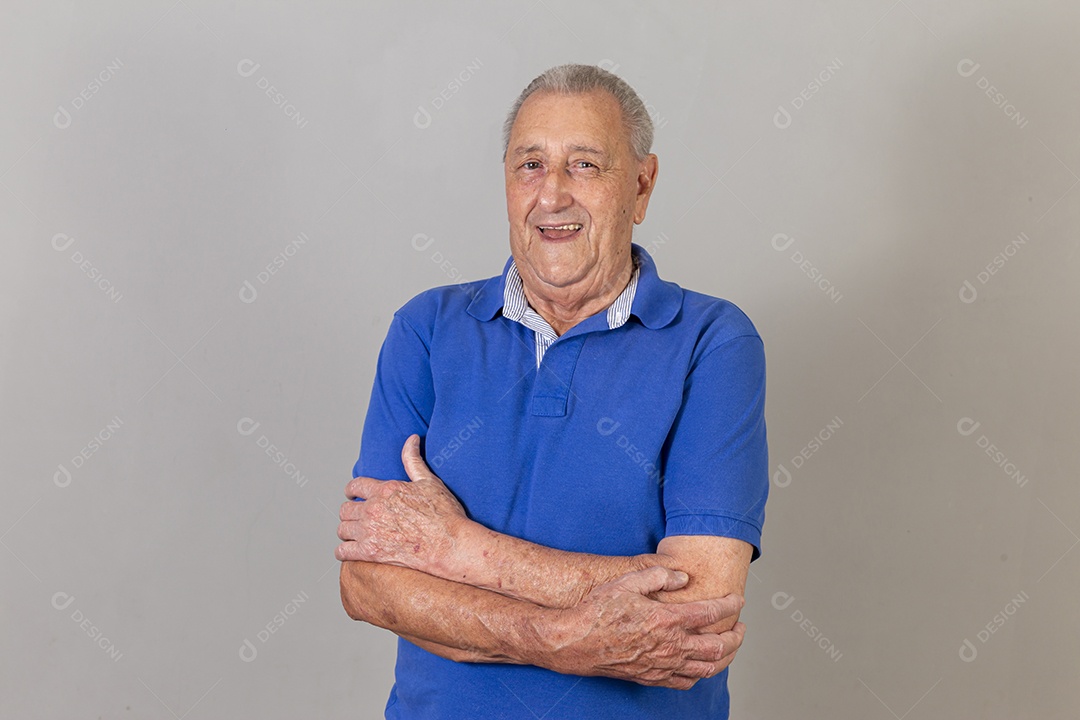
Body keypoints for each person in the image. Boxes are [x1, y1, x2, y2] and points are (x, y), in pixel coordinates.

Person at [337, 63, 769, 719]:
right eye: (529, 165)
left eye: (586, 166)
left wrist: (458, 551)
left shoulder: (713, 343)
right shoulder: (425, 330)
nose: (552, 195)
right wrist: (559, 640)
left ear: (642, 185)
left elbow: (697, 604)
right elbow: (369, 583)